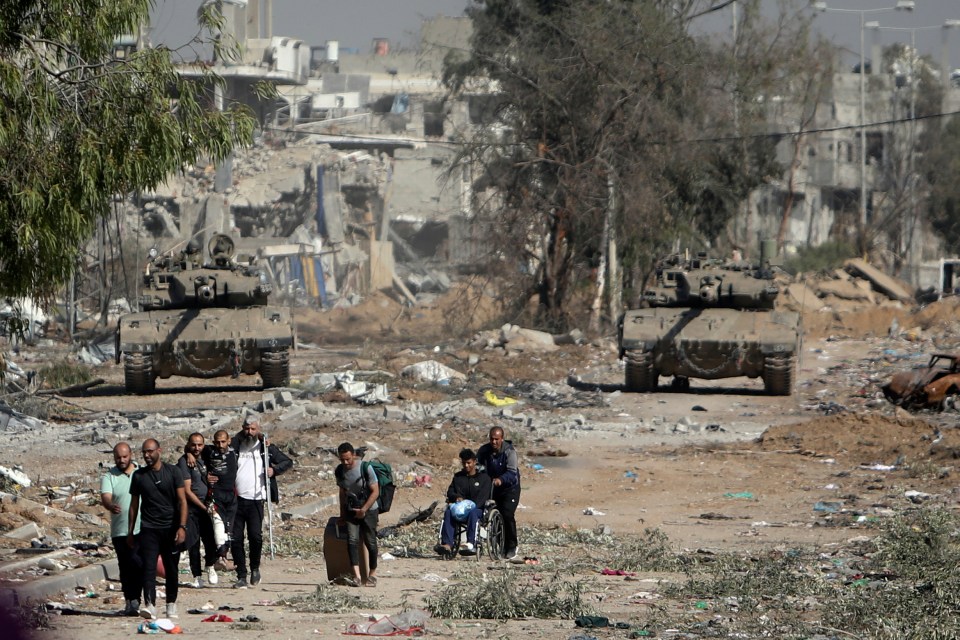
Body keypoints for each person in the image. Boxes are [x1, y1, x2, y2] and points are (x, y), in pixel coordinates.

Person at [230, 413, 292, 588]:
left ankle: (255, 568)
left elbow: (287, 462)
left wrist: (274, 470)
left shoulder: (266, 448)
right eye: (246, 429)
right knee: (236, 539)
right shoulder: (236, 446)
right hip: (236, 499)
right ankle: (241, 575)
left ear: (259, 429)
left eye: (253, 429)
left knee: (255, 537)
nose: (249, 432)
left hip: (257, 499)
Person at [128, 439, 188, 620]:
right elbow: (134, 504)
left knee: (171, 568)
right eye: (144, 452)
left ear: (159, 451)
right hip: (149, 528)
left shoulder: (173, 472)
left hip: (170, 528)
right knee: (148, 567)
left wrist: (182, 527)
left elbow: (182, 500)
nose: (147, 455)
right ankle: (150, 605)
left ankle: (171, 604)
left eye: (150, 451)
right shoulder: (139, 476)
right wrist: (130, 531)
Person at [99, 442, 141, 616]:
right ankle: (130, 600)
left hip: (141, 529)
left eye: (125, 456)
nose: (122, 460)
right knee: (125, 566)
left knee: (139, 564)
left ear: (130, 454)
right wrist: (110, 505)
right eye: (118, 457)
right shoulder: (109, 476)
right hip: (120, 531)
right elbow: (106, 497)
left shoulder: (141, 473)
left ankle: (139, 598)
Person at [177, 433, 219, 588]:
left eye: (199, 445)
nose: (196, 448)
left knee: (210, 539)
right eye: (193, 445)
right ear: (189, 444)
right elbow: (187, 490)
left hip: (208, 504)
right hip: (193, 508)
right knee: (193, 542)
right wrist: (203, 507)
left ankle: (211, 566)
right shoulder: (184, 462)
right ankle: (197, 575)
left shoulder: (207, 456)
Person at [334, 442, 379, 587]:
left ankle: (372, 574)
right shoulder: (340, 471)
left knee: (370, 542)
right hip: (350, 510)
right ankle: (357, 576)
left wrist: (364, 510)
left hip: (369, 510)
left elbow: (375, 491)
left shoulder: (366, 468)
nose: (345, 462)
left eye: (348, 459)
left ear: (353, 454)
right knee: (352, 541)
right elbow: (342, 493)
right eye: (342, 460)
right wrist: (342, 514)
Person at [476, 426, 521, 559]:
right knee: (488, 512)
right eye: (491, 439)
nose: (494, 442)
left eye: (496, 439)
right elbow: (478, 466)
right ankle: (499, 545)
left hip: (509, 488)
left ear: (502, 439)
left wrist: (501, 480)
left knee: (507, 514)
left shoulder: (510, 452)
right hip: (491, 487)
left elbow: (512, 473)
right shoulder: (484, 451)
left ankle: (512, 546)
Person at [437, 448, 492, 556]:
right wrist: (456, 497)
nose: (466, 466)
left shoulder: (484, 478)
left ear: (475, 462)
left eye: (469, 463)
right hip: (459, 510)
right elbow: (450, 491)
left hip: (477, 510)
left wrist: (470, 506)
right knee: (448, 512)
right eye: (464, 463)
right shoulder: (458, 477)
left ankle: (471, 543)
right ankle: (447, 544)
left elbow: (483, 498)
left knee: (473, 513)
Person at [201, 429, 238, 560]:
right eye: (217, 442)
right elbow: (192, 447)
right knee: (218, 523)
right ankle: (219, 556)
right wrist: (205, 475)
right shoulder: (209, 451)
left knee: (229, 528)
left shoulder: (235, 451)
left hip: (231, 496)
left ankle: (223, 557)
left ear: (229, 441)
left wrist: (264, 438)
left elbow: (250, 435)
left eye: (223, 442)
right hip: (215, 495)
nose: (220, 445)